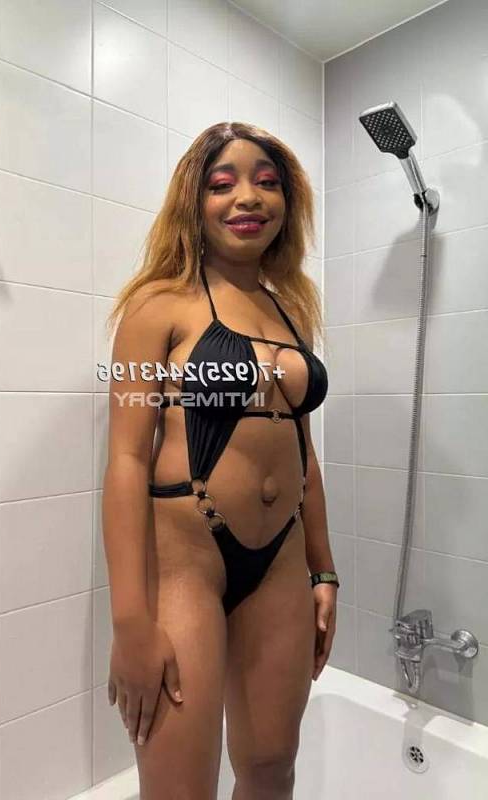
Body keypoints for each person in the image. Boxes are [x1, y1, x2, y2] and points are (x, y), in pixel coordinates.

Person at [101, 121, 339, 800]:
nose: (248, 198)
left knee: (271, 768)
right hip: (186, 563)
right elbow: (126, 459)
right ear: (194, 201)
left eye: (267, 183)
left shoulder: (292, 311)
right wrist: (130, 622)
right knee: (180, 789)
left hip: (281, 565)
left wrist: (323, 568)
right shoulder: (158, 305)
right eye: (222, 183)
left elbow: (302, 451)